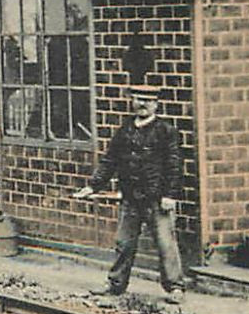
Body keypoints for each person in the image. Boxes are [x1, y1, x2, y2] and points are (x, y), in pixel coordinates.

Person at [77, 84, 186, 302]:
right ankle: (116, 284)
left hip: (156, 199)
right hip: (130, 198)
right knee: (124, 243)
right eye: (138, 99)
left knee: (166, 243)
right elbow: (110, 160)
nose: (142, 104)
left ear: (156, 104)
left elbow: (174, 164)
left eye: (147, 100)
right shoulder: (125, 130)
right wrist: (93, 186)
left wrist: (170, 195)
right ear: (132, 102)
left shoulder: (166, 131)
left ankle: (175, 287)